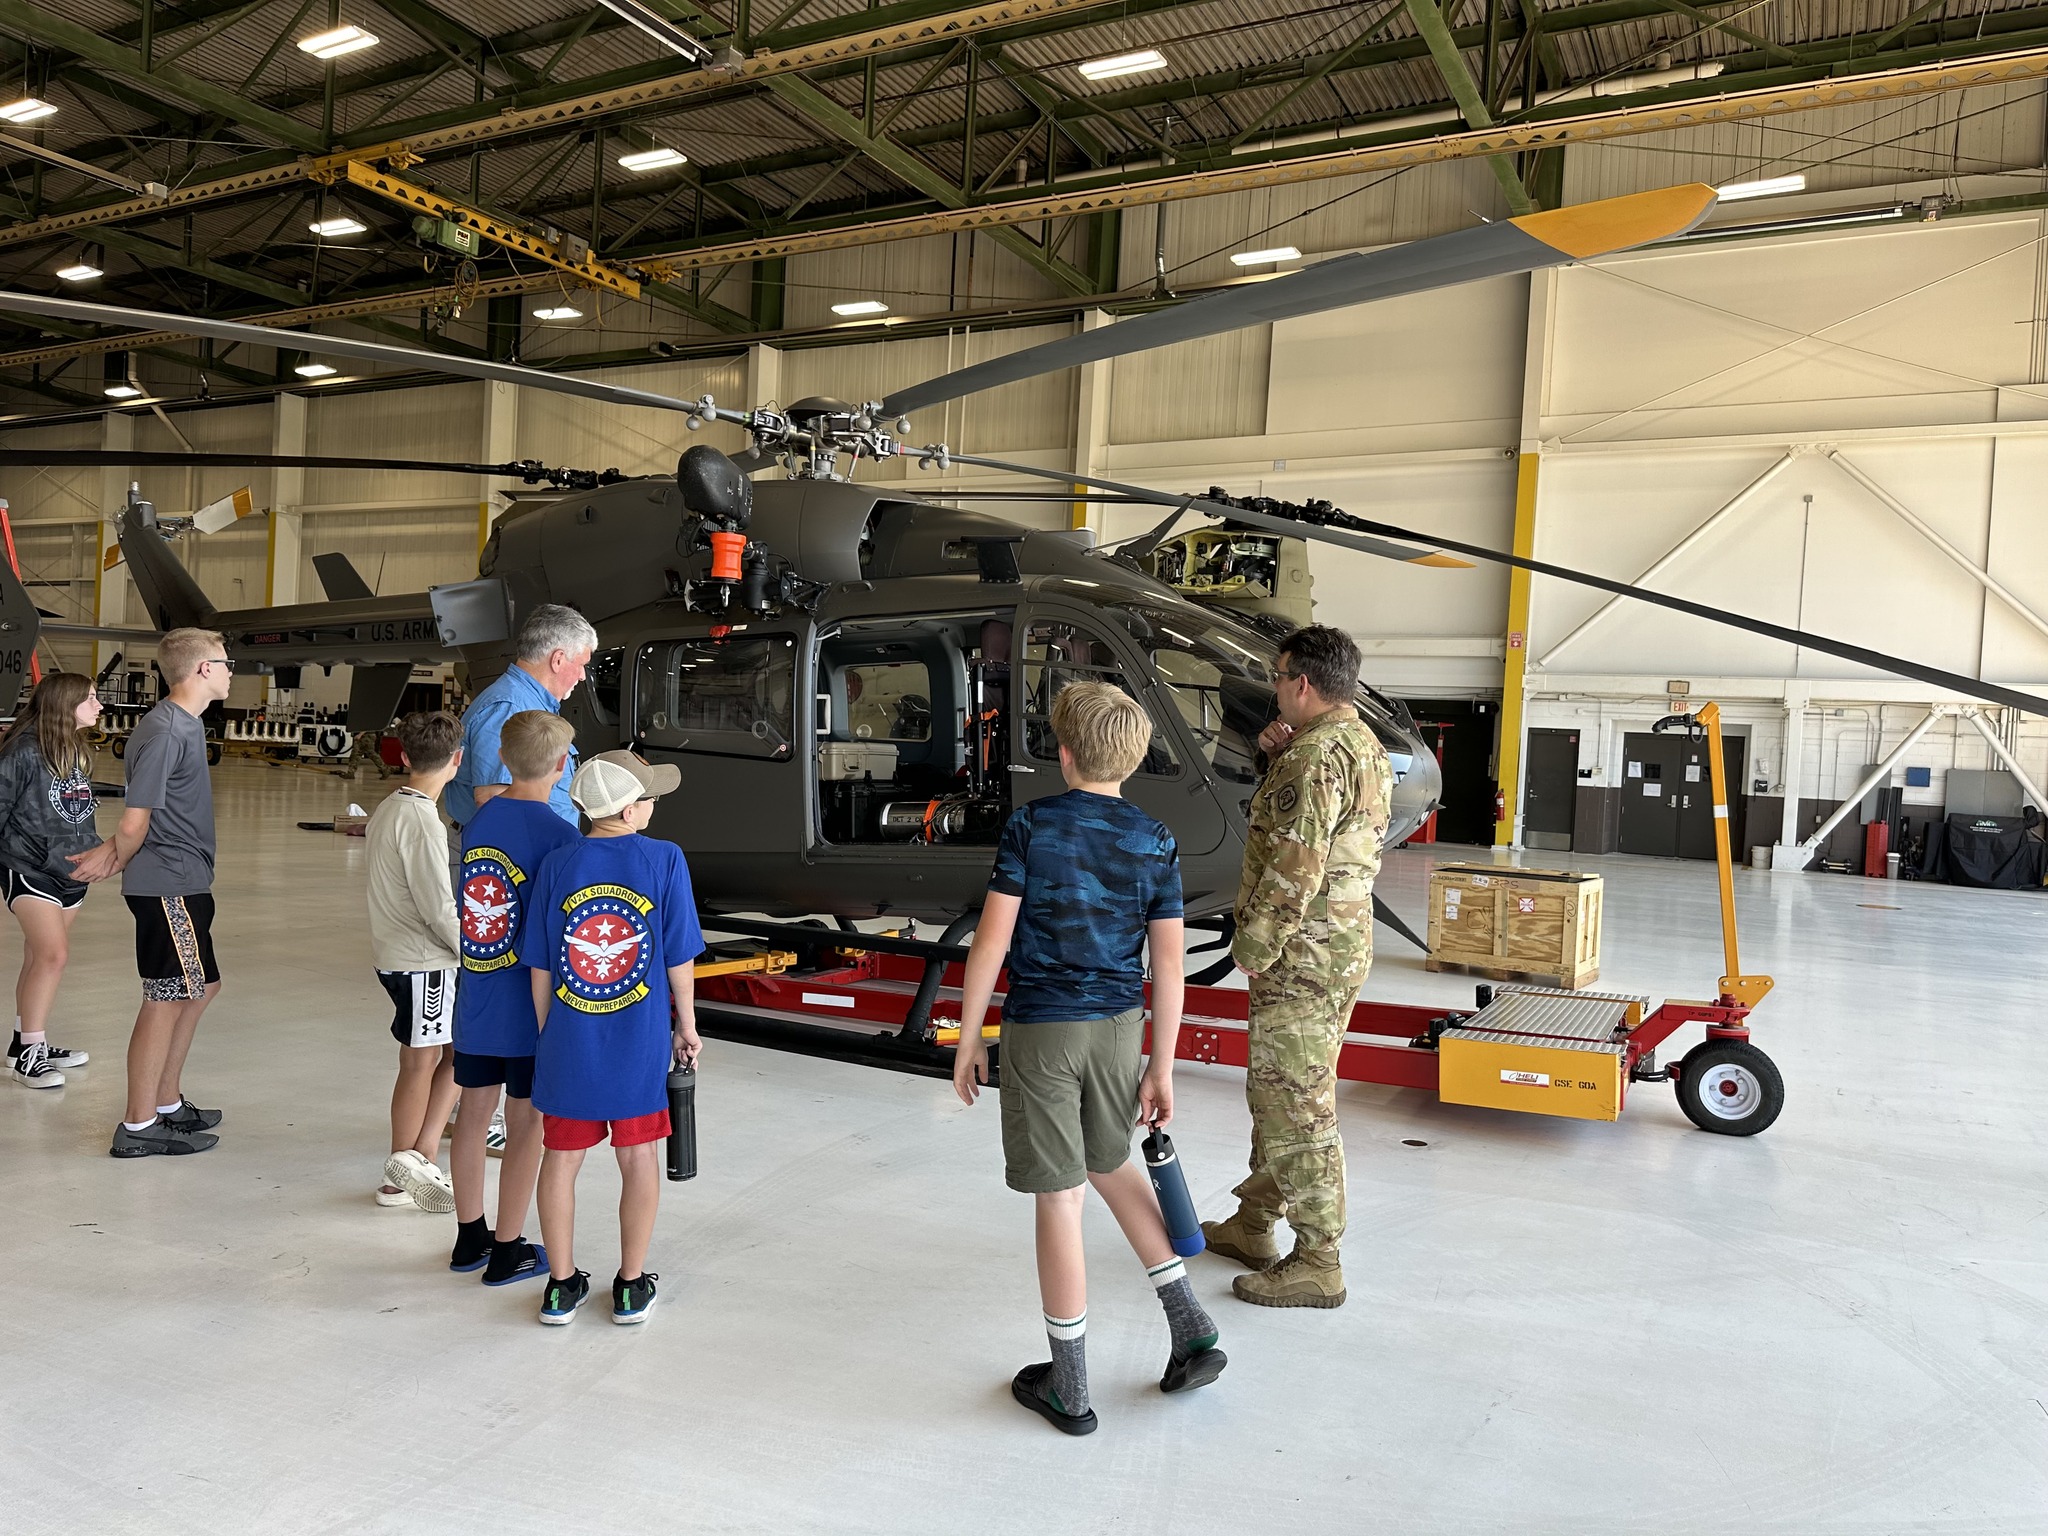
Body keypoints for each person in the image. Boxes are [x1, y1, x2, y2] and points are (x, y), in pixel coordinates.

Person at [951, 681, 1221, 1437]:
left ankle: (1068, 1386)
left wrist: (968, 1037)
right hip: (1119, 1030)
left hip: (1044, 1031)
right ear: (1132, 760)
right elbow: (1170, 966)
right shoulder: (1155, 838)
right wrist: (1160, 1066)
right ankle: (1192, 1325)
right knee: (1109, 1162)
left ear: (1064, 754)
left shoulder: (1031, 826)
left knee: (1060, 1198)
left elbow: (992, 941)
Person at [1200, 624, 1392, 1310]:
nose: (1274, 689)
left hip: (1302, 954)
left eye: (1278, 678)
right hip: (1338, 944)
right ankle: (1254, 1224)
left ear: (1302, 683)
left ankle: (1319, 1260)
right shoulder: (1360, 742)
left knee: (1296, 1106)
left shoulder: (1313, 758)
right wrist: (1273, 760)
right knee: (1282, 1092)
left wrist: (1252, 947)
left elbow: (1294, 870)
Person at [520, 751, 702, 1327]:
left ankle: (560, 1286)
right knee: (638, 1155)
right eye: (649, 798)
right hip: (637, 1042)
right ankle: (629, 1285)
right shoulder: (664, 858)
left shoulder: (557, 863)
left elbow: (541, 965)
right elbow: (677, 956)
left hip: (569, 1040)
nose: (654, 805)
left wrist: (550, 1031)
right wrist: (686, 1025)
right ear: (628, 811)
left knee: (560, 1157)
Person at [70, 628, 234, 1158]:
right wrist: (115, 856)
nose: (231, 672)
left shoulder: (185, 724)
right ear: (204, 669)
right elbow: (135, 818)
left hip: (185, 880)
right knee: (166, 998)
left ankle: (166, 1101)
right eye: (226, 663)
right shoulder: (165, 731)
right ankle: (138, 1125)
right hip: (169, 884)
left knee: (202, 987)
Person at [447, 710, 580, 1283]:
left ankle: (468, 1236)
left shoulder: (480, 820)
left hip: (478, 993)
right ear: (561, 765)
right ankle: (507, 1247)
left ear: (502, 758)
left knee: (473, 1112)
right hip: (528, 1005)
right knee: (525, 1124)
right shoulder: (561, 836)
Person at [365, 711, 466, 1210]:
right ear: (457, 761)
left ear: (404, 757)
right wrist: (474, 954)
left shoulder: (390, 807)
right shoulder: (424, 821)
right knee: (421, 1062)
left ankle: (421, 1154)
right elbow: (437, 906)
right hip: (424, 960)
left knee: (452, 1053)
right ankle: (398, 1175)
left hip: (395, 953)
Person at [0, 673, 106, 1089]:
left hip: (73, 871)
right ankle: (31, 1057)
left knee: (37, 957)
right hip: (29, 868)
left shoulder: (75, 749)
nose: (99, 705)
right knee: (53, 956)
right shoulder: (23, 751)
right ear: (66, 703)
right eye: (91, 698)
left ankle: (25, 1043)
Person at [444, 604, 596, 848]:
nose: (582, 676)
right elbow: (492, 799)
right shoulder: (510, 709)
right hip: (505, 855)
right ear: (558, 660)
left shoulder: (529, 704)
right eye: (581, 664)